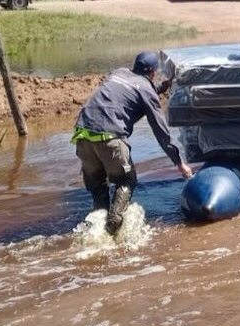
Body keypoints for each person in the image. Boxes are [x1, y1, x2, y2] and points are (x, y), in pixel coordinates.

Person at [72, 51, 193, 234]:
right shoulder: (146, 91)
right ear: (152, 72)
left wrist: (161, 87)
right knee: (126, 180)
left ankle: (97, 227)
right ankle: (114, 223)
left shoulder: (118, 73)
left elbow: (130, 90)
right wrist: (179, 163)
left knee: (99, 187)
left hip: (82, 135)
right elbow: (161, 132)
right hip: (110, 138)